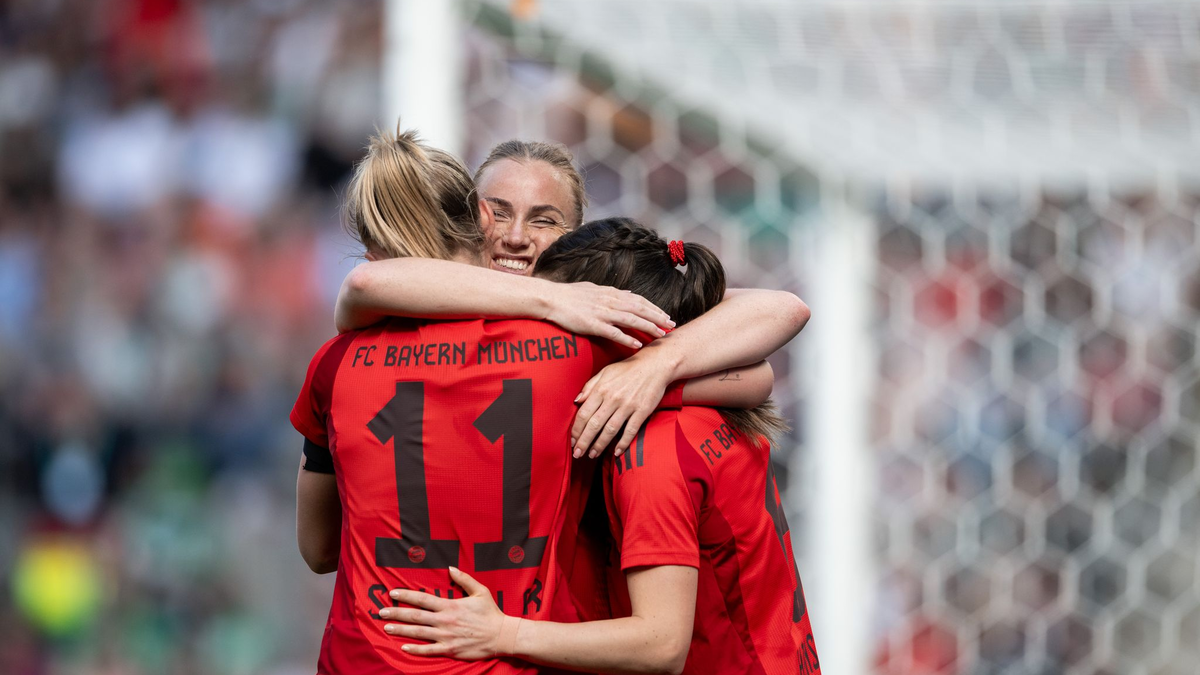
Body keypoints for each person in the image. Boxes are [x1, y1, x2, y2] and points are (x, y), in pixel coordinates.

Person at [293, 129, 793, 674]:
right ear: (472, 224)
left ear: (580, 239)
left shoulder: (335, 364)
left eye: (543, 219)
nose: (514, 237)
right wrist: (579, 316)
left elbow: (319, 550)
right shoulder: (577, 356)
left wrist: (652, 367)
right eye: (498, 214)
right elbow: (757, 373)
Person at [377, 219, 822, 675]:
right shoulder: (693, 398)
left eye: (552, 333)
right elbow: (758, 373)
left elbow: (660, 644)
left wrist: (503, 633)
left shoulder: (651, 454)